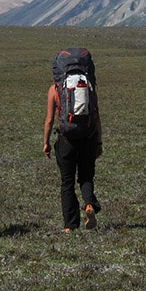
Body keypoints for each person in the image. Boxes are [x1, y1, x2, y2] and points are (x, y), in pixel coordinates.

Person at [43, 48, 103, 233]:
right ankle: (89, 205)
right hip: (88, 136)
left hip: (66, 139)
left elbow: (50, 120)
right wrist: (99, 141)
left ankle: (70, 226)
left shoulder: (55, 89)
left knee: (67, 182)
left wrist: (46, 142)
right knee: (86, 176)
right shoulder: (89, 86)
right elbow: (97, 116)